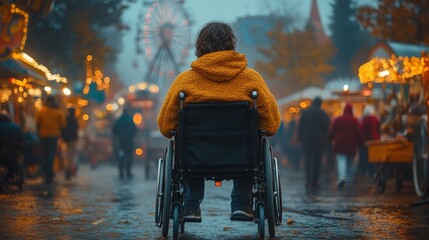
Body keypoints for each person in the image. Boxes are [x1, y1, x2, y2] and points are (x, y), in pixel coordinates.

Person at [157, 22, 281, 220]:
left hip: (194, 158)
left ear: (199, 46)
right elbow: (272, 124)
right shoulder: (251, 79)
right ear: (232, 44)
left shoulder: (184, 82)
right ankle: (241, 203)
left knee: (182, 146)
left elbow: (166, 126)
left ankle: (191, 203)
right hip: (242, 157)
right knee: (254, 144)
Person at [298, 96, 330, 189]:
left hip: (307, 140)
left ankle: (308, 179)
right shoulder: (322, 113)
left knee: (308, 160)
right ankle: (315, 181)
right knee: (317, 161)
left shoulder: (306, 112)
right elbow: (327, 126)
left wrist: (301, 137)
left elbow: (300, 126)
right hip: (319, 141)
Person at [329, 103, 363, 189]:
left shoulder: (338, 119)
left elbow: (332, 131)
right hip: (351, 143)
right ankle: (349, 178)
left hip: (340, 143)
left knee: (341, 161)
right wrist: (360, 144)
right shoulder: (354, 120)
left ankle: (342, 178)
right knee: (350, 162)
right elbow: (359, 133)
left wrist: (330, 139)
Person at [36, 95, 66, 184]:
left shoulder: (41, 111)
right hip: (54, 136)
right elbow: (63, 125)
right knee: (51, 155)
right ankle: (49, 174)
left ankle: (47, 174)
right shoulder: (58, 111)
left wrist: (39, 132)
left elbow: (37, 123)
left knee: (45, 155)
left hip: (43, 135)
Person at [112, 107, 137, 179]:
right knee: (129, 156)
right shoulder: (130, 120)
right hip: (129, 141)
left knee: (121, 155)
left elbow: (114, 130)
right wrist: (131, 135)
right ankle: (128, 171)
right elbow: (134, 130)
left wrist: (119, 135)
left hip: (121, 142)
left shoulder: (119, 120)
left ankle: (121, 172)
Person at [0, 111, 23, 183]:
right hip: (12, 155)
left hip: (1, 154)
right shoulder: (16, 127)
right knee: (14, 164)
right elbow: (21, 140)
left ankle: (4, 177)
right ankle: (7, 176)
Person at [359, 104, 380, 177]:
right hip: (375, 140)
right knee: (373, 157)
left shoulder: (364, 120)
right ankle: (373, 171)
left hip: (366, 141)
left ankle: (367, 171)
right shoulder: (375, 119)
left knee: (366, 157)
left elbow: (362, 131)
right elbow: (378, 129)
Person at [61, 107, 79, 180]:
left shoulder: (66, 119)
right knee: (71, 156)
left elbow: (63, 128)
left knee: (68, 155)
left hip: (67, 139)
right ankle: (70, 171)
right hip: (73, 139)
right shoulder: (74, 119)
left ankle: (68, 171)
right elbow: (76, 129)